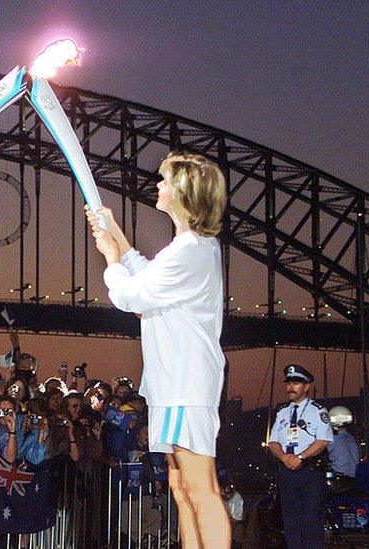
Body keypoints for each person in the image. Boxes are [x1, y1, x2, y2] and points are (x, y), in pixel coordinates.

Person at [86, 151, 230, 547]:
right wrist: (114, 232)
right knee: (181, 484)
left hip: (187, 382)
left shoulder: (193, 251)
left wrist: (110, 257)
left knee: (202, 488)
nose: (159, 185)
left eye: (166, 181)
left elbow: (132, 295)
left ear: (184, 193)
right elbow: (146, 274)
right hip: (170, 385)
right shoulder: (185, 248)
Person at [268, 364, 334, 549]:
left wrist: (300, 457)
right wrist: (284, 458)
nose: (291, 387)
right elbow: (273, 442)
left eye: (296, 383)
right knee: (291, 521)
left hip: (310, 472)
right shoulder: (282, 413)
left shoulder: (318, 411)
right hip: (287, 471)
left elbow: (323, 440)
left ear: (306, 387)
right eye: (288, 383)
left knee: (311, 521)